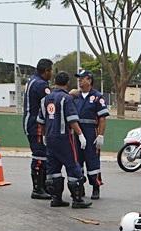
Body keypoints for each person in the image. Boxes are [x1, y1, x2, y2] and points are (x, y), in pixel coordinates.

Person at [36, 72, 91, 209]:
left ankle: (56, 198)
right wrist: (80, 135)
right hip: (64, 138)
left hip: (49, 138)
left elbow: (41, 121)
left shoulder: (46, 99)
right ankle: (77, 199)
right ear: (67, 84)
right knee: (73, 167)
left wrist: (43, 136)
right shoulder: (66, 99)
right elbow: (72, 120)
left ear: (55, 82)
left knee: (53, 168)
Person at [73, 70, 110, 200]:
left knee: (92, 161)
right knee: (77, 161)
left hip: (91, 132)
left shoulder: (97, 97)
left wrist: (100, 135)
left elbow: (102, 118)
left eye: (82, 78)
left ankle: (95, 187)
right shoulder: (75, 96)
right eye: (78, 79)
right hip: (77, 133)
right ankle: (79, 187)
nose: (79, 81)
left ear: (89, 80)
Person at [23, 58, 53, 200]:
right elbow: (52, 101)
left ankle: (43, 186)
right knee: (40, 155)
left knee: (43, 154)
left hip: (32, 122)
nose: (51, 73)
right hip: (36, 125)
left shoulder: (32, 80)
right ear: (46, 71)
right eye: (51, 70)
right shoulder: (41, 85)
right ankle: (37, 189)